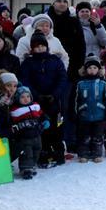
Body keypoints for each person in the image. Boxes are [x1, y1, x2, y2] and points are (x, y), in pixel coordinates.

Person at [18, 32, 68, 168]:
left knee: (57, 127)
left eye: (42, 46)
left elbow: (62, 78)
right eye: (36, 47)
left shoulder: (55, 60)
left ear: (46, 46)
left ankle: (58, 154)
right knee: (41, 128)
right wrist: (36, 95)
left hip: (55, 101)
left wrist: (55, 94)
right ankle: (43, 154)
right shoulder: (28, 63)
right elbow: (25, 80)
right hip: (36, 103)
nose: (40, 49)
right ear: (32, 48)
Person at [70, 57, 106, 163]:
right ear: (85, 69)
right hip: (84, 115)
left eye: (95, 68)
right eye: (90, 68)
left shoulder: (104, 83)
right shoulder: (79, 83)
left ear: (99, 69)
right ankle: (83, 154)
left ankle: (97, 154)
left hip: (100, 115)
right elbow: (74, 99)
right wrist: (74, 114)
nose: (92, 70)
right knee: (84, 136)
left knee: (97, 136)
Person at [9, 86, 47, 180]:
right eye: (22, 97)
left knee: (37, 150)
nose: (26, 99)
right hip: (24, 137)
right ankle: (25, 169)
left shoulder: (35, 106)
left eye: (27, 96)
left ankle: (32, 165)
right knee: (26, 153)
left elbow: (42, 115)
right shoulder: (15, 111)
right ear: (17, 98)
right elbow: (12, 122)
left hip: (37, 135)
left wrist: (46, 120)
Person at [47, 0, 86, 80]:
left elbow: (81, 44)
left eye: (65, 1)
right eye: (59, 1)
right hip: (51, 64)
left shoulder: (74, 21)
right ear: (53, 3)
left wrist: (80, 64)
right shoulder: (47, 20)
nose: (62, 4)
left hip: (72, 66)